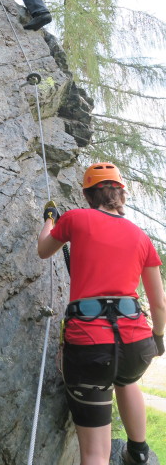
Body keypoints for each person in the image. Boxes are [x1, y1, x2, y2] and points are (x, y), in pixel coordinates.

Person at [37, 162, 166, 465]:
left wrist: (49, 219)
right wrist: (158, 337)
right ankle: (138, 451)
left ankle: (130, 451)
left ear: (87, 195)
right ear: (121, 194)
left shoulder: (75, 219)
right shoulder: (141, 237)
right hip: (137, 344)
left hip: (90, 345)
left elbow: (44, 249)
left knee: (96, 454)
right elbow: (158, 302)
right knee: (126, 379)